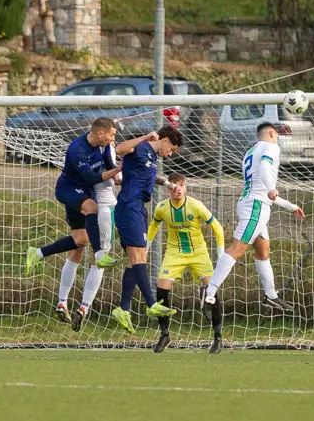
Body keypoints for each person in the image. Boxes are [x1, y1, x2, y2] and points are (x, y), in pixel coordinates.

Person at [24, 117, 122, 330]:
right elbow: (90, 176)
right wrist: (117, 171)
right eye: (112, 135)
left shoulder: (104, 148)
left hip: (83, 193)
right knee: (92, 209)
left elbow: (112, 170)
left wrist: (130, 173)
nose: (114, 139)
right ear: (100, 134)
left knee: (79, 241)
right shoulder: (77, 149)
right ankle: (99, 255)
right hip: (68, 190)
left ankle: (39, 253)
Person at [203, 122, 305, 312]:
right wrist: (272, 188)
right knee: (238, 249)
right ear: (272, 133)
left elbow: (261, 187)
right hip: (255, 208)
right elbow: (266, 171)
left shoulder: (250, 151)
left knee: (263, 248)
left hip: (251, 203)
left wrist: (289, 206)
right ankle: (209, 292)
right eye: (278, 134)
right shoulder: (271, 147)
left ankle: (271, 295)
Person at [108, 126, 183, 334]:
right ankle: (151, 304)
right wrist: (144, 136)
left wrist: (167, 183)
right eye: (172, 149)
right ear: (165, 140)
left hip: (139, 208)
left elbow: (148, 175)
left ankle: (123, 308)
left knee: (138, 258)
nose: (170, 153)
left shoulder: (151, 155)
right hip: (128, 206)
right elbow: (121, 148)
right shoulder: (141, 147)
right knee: (138, 257)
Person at [147, 173, 226, 353]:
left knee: (212, 291)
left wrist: (221, 254)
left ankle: (218, 336)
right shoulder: (161, 208)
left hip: (198, 252)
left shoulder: (195, 205)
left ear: (186, 188)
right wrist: (146, 248)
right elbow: (153, 226)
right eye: (175, 185)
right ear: (169, 189)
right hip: (174, 253)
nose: (178, 189)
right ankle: (165, 334)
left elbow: (217, 227)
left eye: (182, 185)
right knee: (161, 290)